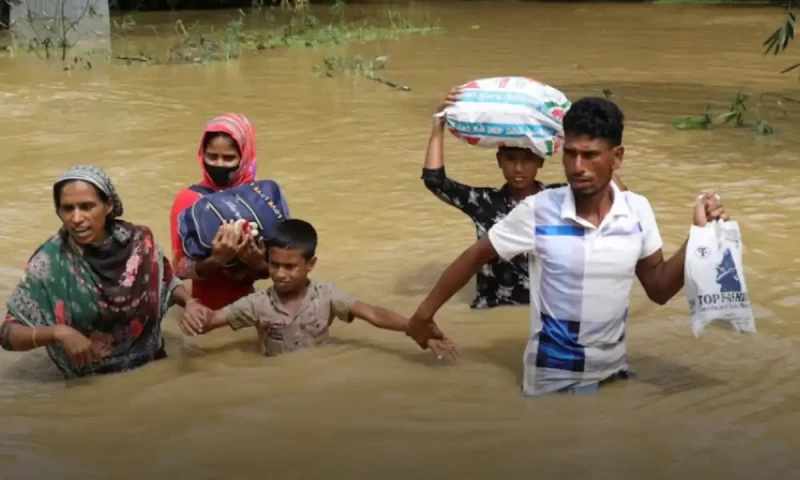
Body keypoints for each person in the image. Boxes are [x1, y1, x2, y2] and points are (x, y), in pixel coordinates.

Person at [407, 97, 727, 396]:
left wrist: (698, 235)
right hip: (553, 382)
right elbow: (476, 255)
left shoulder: (637, 210)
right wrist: (423, 315)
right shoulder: (539, 209)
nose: (577, 167)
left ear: (617, 158)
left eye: (590, 155)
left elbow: (659, 289)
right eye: (570, 154)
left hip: (614, 374)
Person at [422, 87, 627, 310]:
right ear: (499, 161)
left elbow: (617, 195)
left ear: (540, 162)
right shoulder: (483, 202)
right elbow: (434, 180)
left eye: (527, 160)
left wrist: (572, 132)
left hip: (548, 311)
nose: (518, 168)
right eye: (510, 159)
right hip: (492, 309)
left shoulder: (557, 199)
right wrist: (438, 126)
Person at [0, 165, 208, 379]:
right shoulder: (49, 262)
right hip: (89, 385)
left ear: (108, 205)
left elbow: (166, 281)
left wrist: (189, 302)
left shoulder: (139, 243)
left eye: (87, 207)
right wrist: (57, 333)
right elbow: (8, 334)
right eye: (68, 209)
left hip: (153, 372)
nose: (76, 218)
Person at [180, 219, 457, 360]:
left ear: (310, 264)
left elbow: (372, 313)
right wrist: (195, 315)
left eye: (290, 266)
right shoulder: (257, 304)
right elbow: (213, 321)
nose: (280, 274)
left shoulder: (327, 296)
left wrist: (413, 327)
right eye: (274, 265)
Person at [169, 114, 282, 310]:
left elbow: (286, 266)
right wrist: (216, 260)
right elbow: (178, 268)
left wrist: (258, 263)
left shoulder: (261, 198)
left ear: (244, 157)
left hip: (250, 310)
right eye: (212, 156)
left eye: (229, 158)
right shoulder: (189, 199)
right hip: (202, 311)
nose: (219, 164)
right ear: (202, 155)